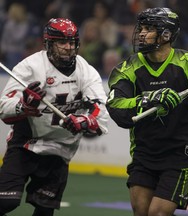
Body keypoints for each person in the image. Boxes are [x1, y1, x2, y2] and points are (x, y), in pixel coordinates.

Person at [106, 7, 188, 216]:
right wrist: (148, 99)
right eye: (141, 28)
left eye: (148, 28)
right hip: (144, 152)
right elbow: (116, 108)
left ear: (166, 34)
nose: (141, 33)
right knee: (141, 211)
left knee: (158, 213)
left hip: (179, 154)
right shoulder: (128, 67)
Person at [0, 18, 109, 216]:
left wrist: (83, 121)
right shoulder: (29, 67)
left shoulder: (86, 71)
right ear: (49, 44)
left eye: (72, 42)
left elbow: (100, 112)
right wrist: (24, 107)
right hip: (26, 144)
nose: (69, 48)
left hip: (60, 150)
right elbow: (4, 108)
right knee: (6, 202)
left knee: (44, 210)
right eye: (62, 42)